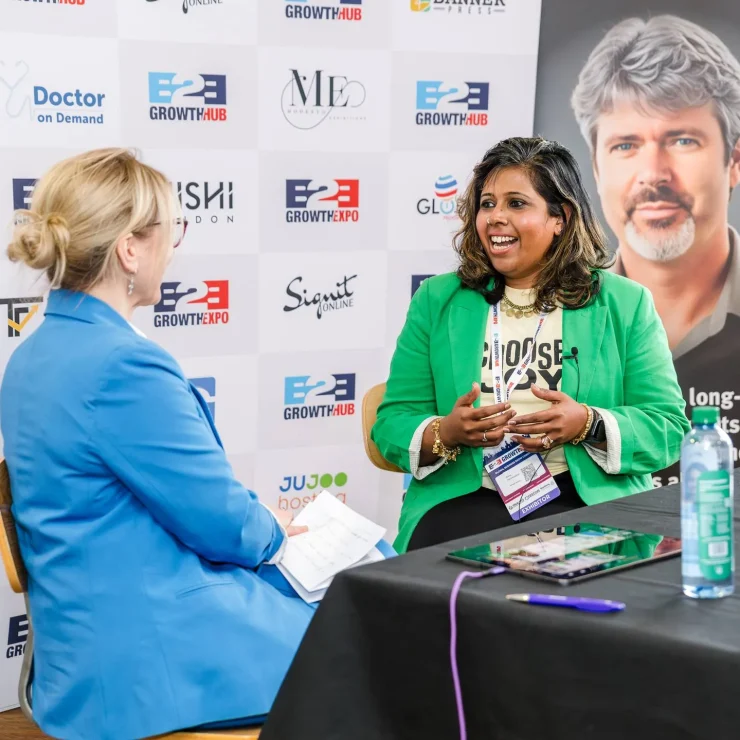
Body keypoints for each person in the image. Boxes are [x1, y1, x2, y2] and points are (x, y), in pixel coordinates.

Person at [0, 149, 315, 740]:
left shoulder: (30, 356)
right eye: (172, 230)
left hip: (84, 662)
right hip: (149, 663)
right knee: (364, 639)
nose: (173, 247)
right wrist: (272, 530)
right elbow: (222, 525)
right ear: (129, 249)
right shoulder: (124, 365)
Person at [372, 137, 689, 553]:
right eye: (487, 204)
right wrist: (446, 432)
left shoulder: (624, 303)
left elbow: (667, 427)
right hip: (465, 496)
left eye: (516, 204)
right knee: (441, 577)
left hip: (583, 497)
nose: (495, 218)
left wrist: (588, 424)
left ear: (561, 218)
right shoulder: (437, 300)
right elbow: (392, 423)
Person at [570, 15, 740, 485]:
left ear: (733, 161)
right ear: (596, 169)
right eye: (626, 145)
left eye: (682, 140)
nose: (653, 173)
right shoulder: (547, 319)